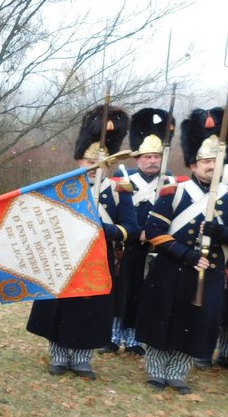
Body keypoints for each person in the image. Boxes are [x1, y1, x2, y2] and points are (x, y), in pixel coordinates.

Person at [27, 105, 137, 381]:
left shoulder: (119, 190)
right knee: (62, 308)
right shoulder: (63, 187)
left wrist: (104, 230)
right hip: (65, 257)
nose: (93, 168)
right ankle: (59, 355)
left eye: (98, 163)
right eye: (88, 163)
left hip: (100, 259)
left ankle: (82, 358)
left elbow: (131, 230)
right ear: (79, 162)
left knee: (92, 310)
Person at [136, 107, 228, 393]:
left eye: (217, 160)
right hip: (171, 268)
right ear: (192, 164)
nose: (211, 166)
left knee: (195, 322)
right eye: (205, 161)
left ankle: (178, 372)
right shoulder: (173, 191)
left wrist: (221, 232)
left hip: (207, 273)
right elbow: (153, 232)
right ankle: (156, 369)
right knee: (163, 317)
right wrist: (185, 254)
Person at [104, 108, 178, 356]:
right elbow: (116, 211)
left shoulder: (169, 182)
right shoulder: (122, 177)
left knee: (143, 294)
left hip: (154, 247)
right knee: (120, 290)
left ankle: (135, 338)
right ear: (138, 158)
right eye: (147, 156)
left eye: (156, 156)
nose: (152, 161)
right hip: (126, 245)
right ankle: (112, 335)